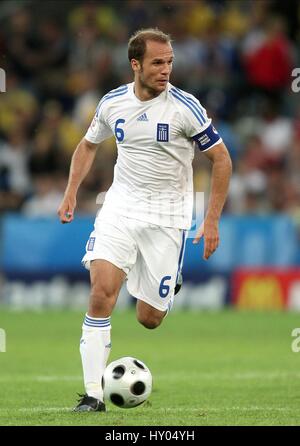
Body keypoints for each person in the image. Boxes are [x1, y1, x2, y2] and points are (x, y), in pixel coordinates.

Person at [58, 28, 232, 412]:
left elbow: (221, 159)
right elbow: (88, 145)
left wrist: (212, 219)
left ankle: (169, 286)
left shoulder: (185, 108)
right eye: (157, 62)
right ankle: (93, 395)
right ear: (135, 64)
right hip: (119, 208)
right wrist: (71, 190)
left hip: (168, 218)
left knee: (148, 318)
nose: (166, 69)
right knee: (102, 292)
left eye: (170, 61)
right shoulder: (112, 103)